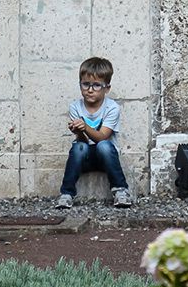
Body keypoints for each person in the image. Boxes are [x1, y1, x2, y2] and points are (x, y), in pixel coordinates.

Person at [55, 57, 131, 209]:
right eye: (85, 84)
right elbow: (83, 141)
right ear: (80, 84)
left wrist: (85, 127)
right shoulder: (75, 107)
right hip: (85, 158)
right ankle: (67, 193)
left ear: (106, 88)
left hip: (106, 158)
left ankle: (120, 190)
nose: (90, 90)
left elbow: (102, 137)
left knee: (104, 146)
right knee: (78, 148)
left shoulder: (112, 108)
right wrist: (78, 131)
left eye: (96, 85)